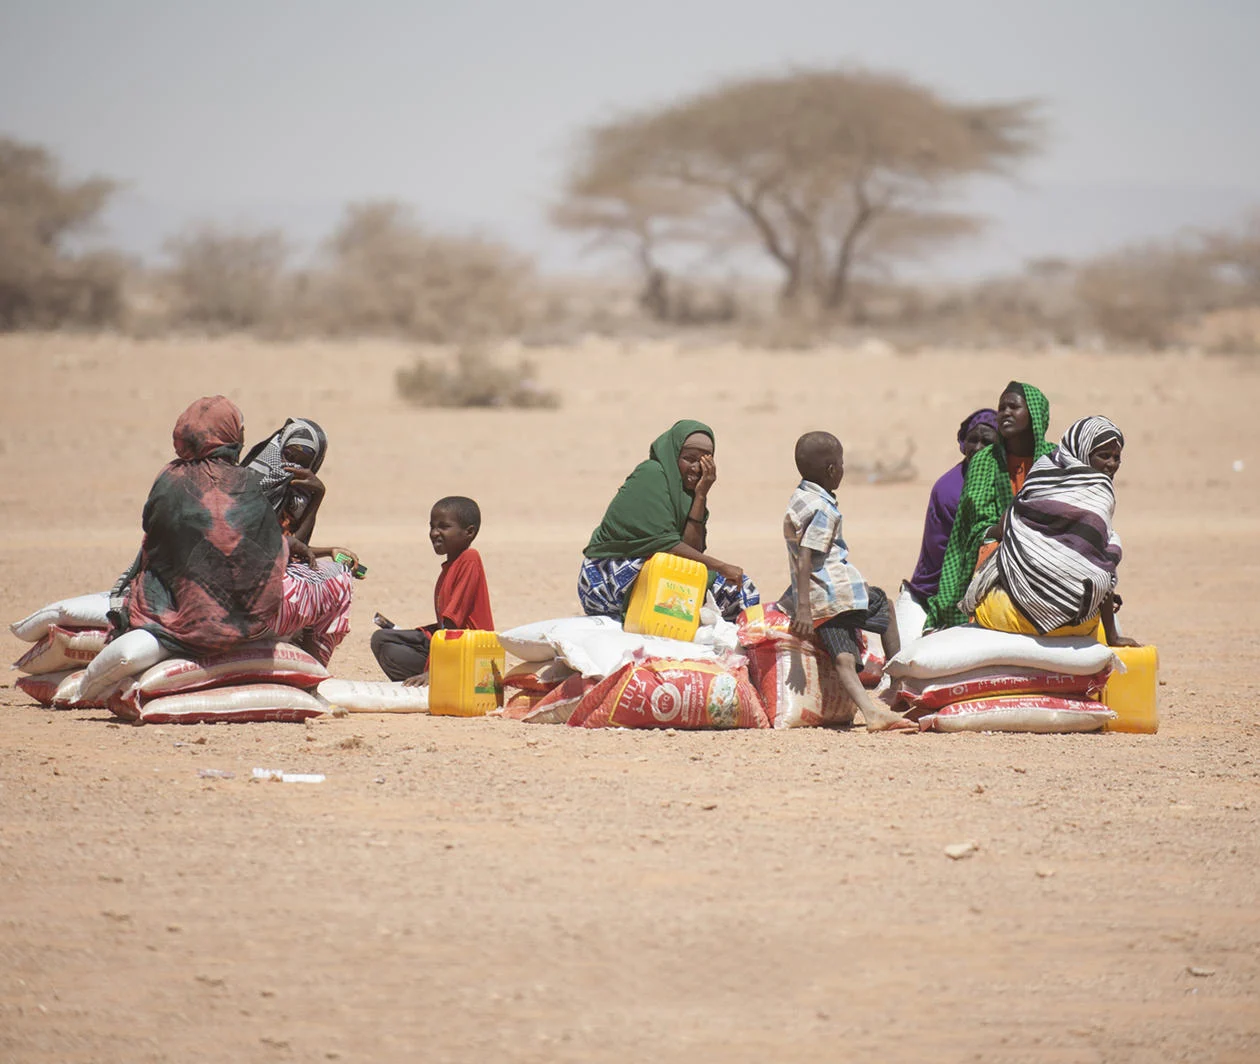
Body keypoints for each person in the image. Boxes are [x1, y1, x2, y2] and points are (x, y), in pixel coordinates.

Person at [110, 396, 288, 656]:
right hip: (247, 623)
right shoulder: (246, 483)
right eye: (240, 430)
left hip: (174, 606)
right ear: (228, 435)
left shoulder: (168, 478)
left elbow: (153, 531)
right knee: (328, 579)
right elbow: (268, 548)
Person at [779, 431, 916, 732]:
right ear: (832, 470)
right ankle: (898, 684)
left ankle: (871, 712)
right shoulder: (824, 509)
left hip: (818, 598)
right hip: (835, 591)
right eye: (840, 465)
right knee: (885, 607)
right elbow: (806, 555)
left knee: (842, 654)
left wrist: (804, 603)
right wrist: (802, 608)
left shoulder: (799, 498)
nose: (842, 470)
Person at [963, 416, 1141, 645]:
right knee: (1108, 542)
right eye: (1104, 456)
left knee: (998, 544)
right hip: (1073, 625)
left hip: (1008, 617)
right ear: (1082, 451)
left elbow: (1006, 523)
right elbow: (1102, 567)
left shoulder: (1042, 472)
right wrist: (1112, 637)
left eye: (1116, 458)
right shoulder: (1100, 494)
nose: (1112, 464)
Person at [579, 419, 758, 623]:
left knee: (740, 591)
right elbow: (667, 544)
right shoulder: (651, 475)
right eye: (689, 459)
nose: (696, 468)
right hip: (608, 575)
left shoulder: (687, 494)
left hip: (657, 569)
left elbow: (692, 550)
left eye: (704, 461)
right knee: (694, 587)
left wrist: (700, 496)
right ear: (673, 455)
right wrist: (721, 566)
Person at [926, 382, 1054, 631]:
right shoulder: (984, 462)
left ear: (1035, 414)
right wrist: (1003, 528)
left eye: (1013, 407)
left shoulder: (1055, 460)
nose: (1005, 412)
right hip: (995, 546)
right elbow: (972, 524)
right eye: (1001, 407)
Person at [242, 416, 357, 665]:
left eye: (303, 462)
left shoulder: (295, 496)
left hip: (269, 570)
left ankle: (305, 664)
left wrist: (329, 549)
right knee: (336, 579)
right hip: (250, 586)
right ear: (279, 449)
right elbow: (281, 549)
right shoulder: (252, 485)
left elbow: (292, 546)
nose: (292, 465)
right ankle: (312, 665)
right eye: (289, 455)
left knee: (333, 567)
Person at [895, 408, 999, 640]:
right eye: (973, 440)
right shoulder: (949, 489)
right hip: (933, 593)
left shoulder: (1004, 485)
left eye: (987, 441)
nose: (978, 448)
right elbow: (951, 557)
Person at [370, 496, 494, 684]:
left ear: (469, 532)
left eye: (443, 527)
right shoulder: (449, 567)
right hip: (450, 644)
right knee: (382, 640)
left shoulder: (469, 559)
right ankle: (423, 682)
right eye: (432, 526)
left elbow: (453, 624)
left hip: (468, 652)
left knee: (391, 648)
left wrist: (434, 670)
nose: (434, 533)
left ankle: (438, 680)